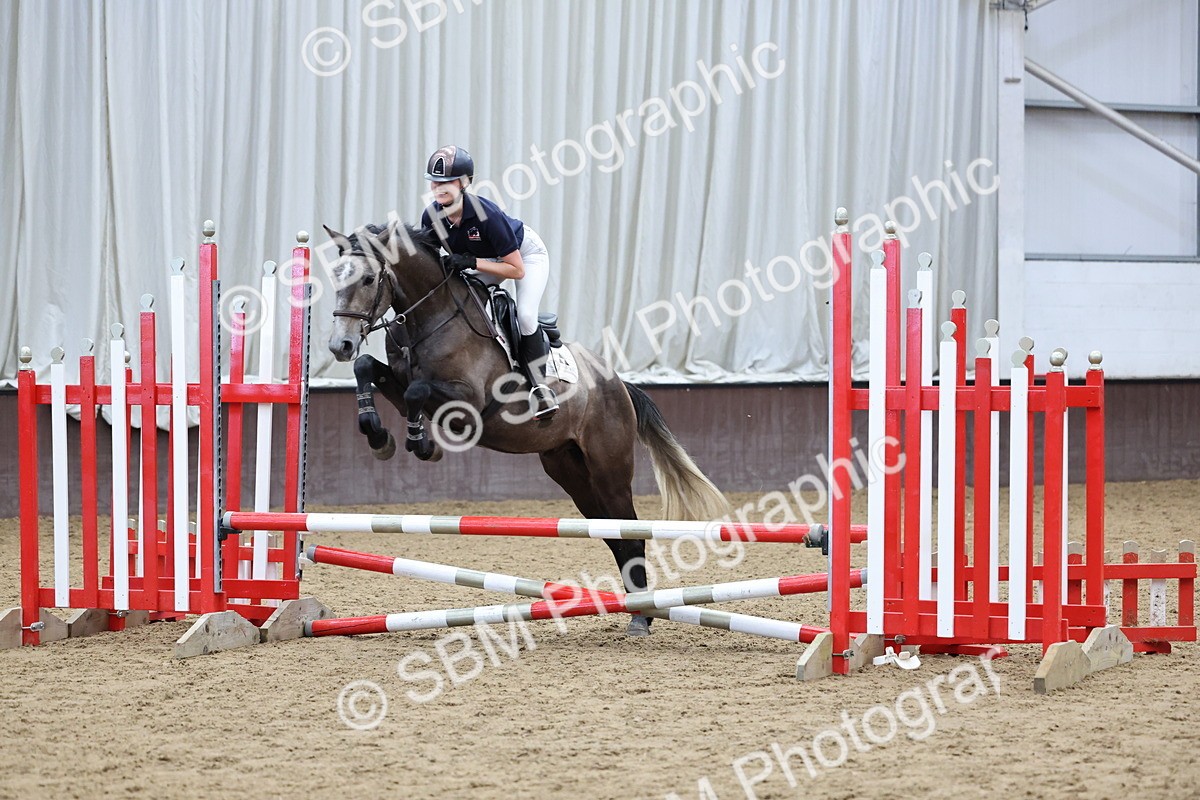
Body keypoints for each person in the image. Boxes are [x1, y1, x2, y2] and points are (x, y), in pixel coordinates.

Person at [419, 145, 559, 420]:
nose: (439, 187)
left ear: (463, 183)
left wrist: (471, 263)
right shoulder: (431, 216)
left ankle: (540, 388)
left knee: (526, 315)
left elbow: (516, 270)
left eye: (446, 182)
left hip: (524, 257)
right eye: (435, 181)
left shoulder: (486, 215)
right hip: (487, 260)